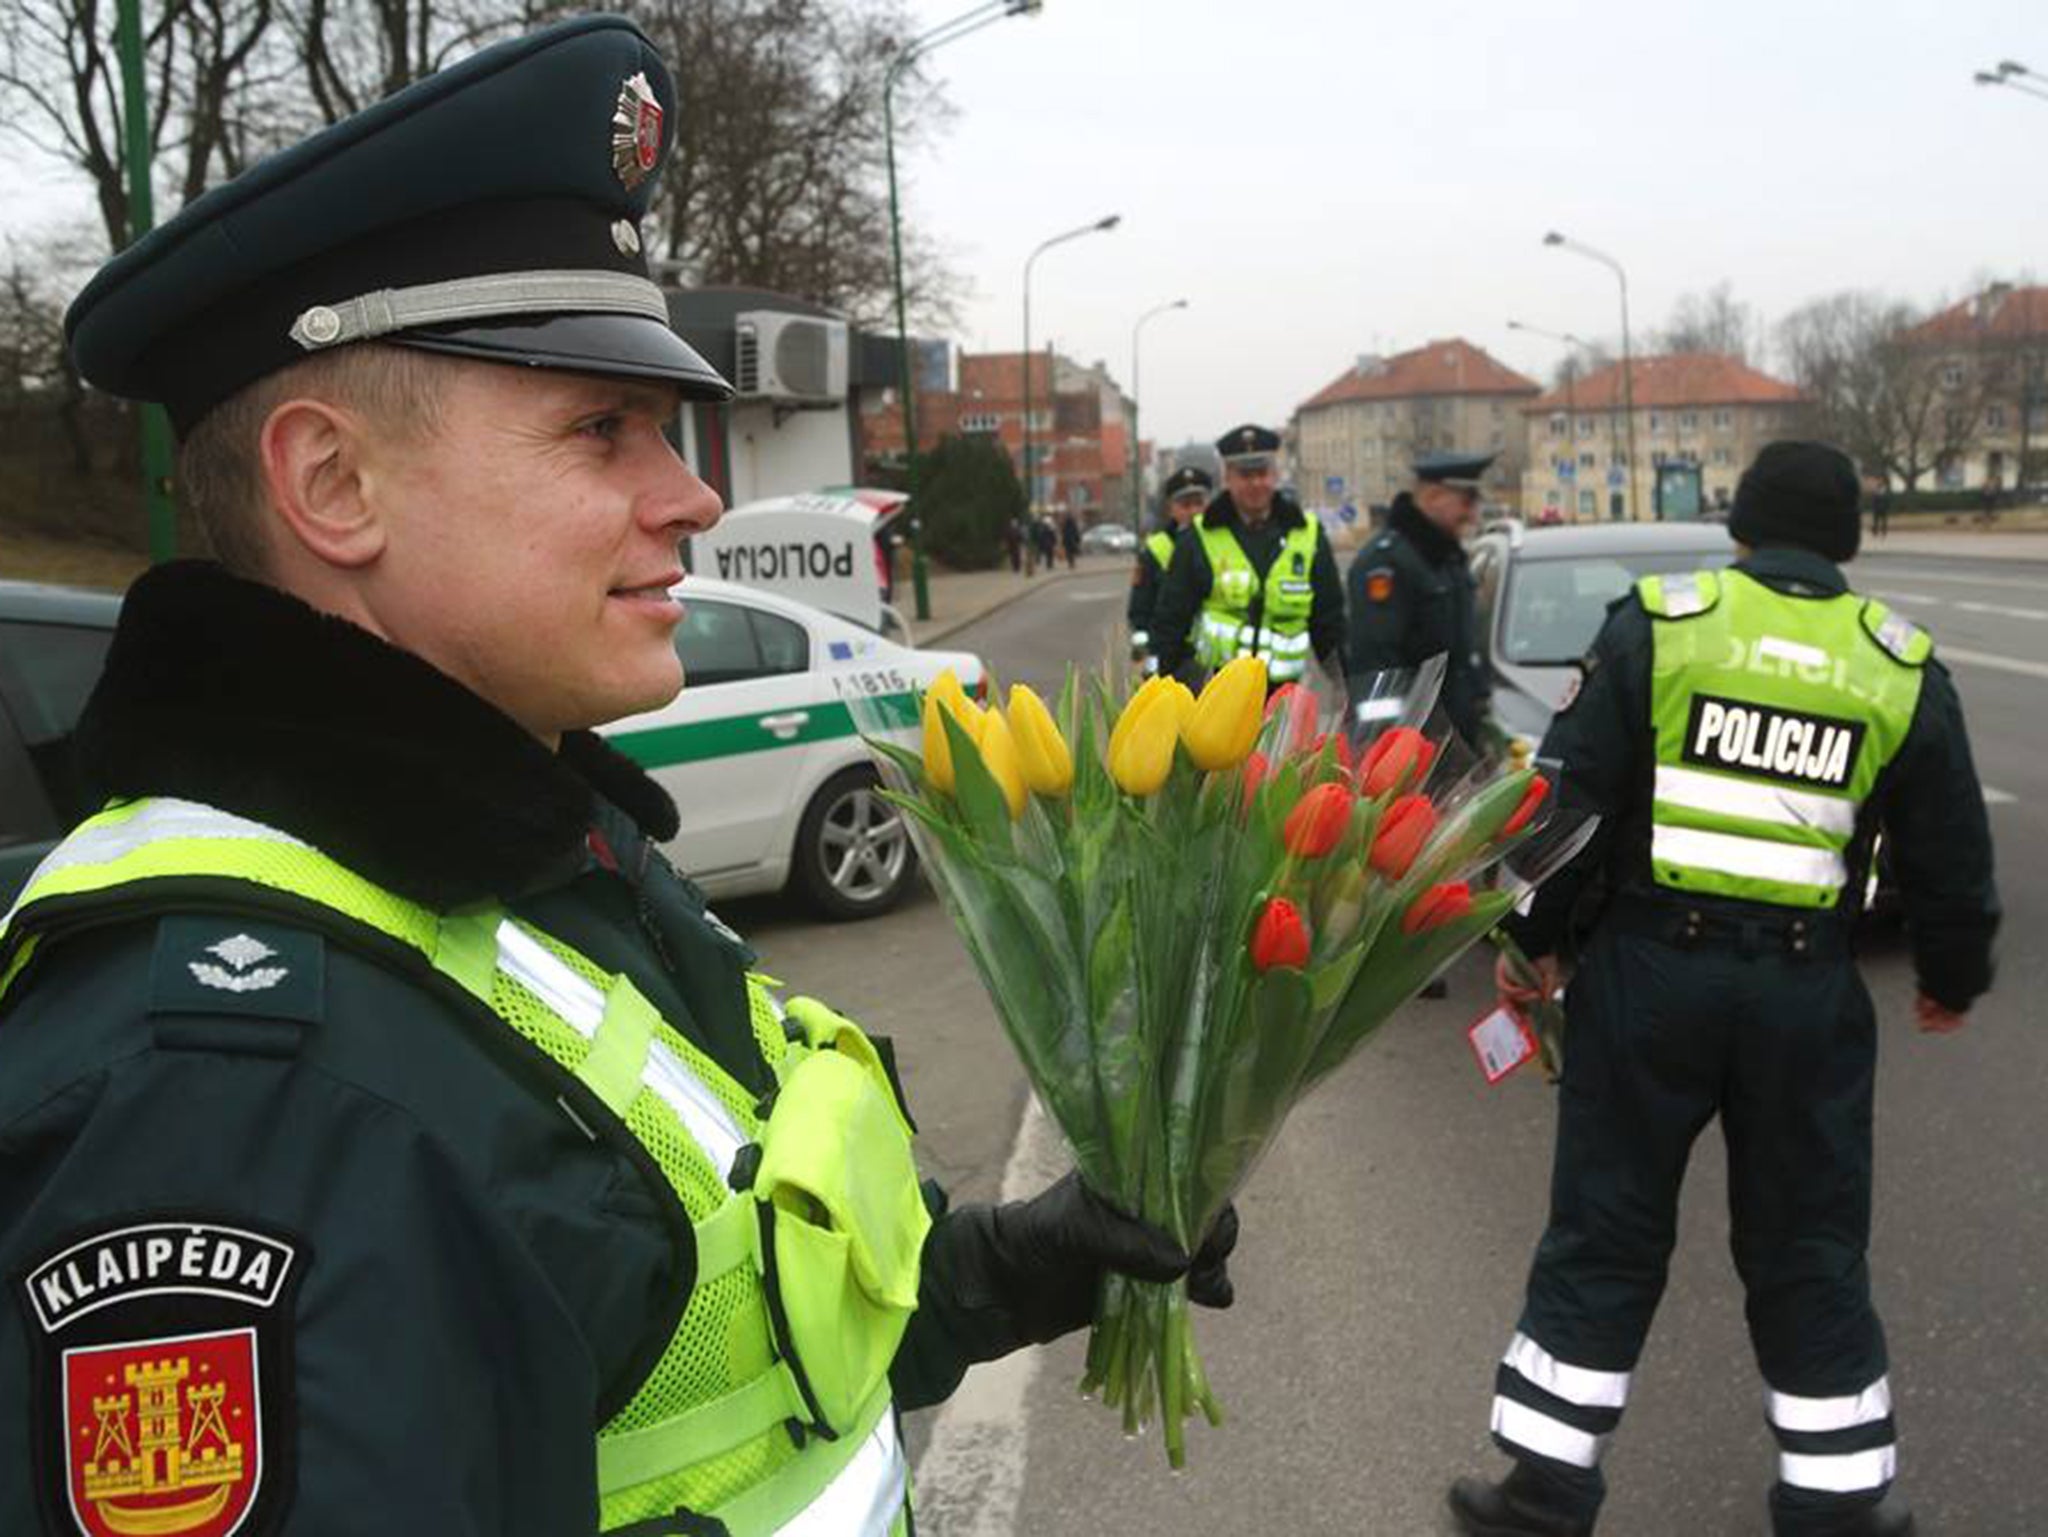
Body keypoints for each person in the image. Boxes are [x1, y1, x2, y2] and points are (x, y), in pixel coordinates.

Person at [0, 20, 1236, 1535]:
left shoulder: (527, 852)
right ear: (332, 484)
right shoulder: (224, 1095)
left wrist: (1003, 1268)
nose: (695, 493)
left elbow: (710, 1356)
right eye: (603, 429)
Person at [1448, 441, 1999, 1537]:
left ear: (1738, 529)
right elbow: (1950, 859)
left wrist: (1528, 945)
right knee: (1806, 1246)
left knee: (1604, 1228)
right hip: (1803, 997)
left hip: (1649, 979)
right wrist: (1948, 979)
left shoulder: (1661, 622)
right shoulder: (1895, 665)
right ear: (1843, 542)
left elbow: (1563, 808)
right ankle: (1835, 1505)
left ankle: (1545, 1494)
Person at [1148, 424, 1346, 688]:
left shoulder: (1307, 535)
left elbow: (1330, 624)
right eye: (1245, 474)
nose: (1255, 483)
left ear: (1275, 475)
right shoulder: (1198, 538)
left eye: (1262, 473)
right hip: (1217, 697)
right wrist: (1176, 688)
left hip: (1285, 702)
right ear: (1227, 477)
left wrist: (1347, 690)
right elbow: (1170, 622)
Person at [1345, 450, 1496, 750]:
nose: (1473, 513)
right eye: (1467, 501)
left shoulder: (1445, 556)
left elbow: (1462, 656)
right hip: (1409, 749)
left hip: (1454, 742)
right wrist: (1390, 748)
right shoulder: (1385, 563)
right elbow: (1378, 671)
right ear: (1434, 496)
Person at [1127, 464, 1213, 668]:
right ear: (1171, 508)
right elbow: (1140, 606)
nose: (1193, 511)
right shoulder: (1156, 548)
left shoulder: (1221, 544)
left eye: (1199, 503)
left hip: (1210, 656)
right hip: (1168, 653)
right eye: (1185, 504)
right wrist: (1146, 654)